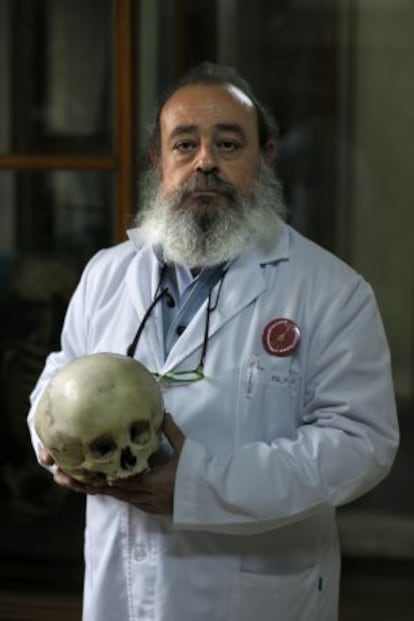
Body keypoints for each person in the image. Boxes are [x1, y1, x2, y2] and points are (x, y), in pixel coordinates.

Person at [27, 62, 399, 621]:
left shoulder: (331, 291)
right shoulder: (107, 274)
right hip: (120, 584)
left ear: (265, 157)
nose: (206, 162)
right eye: (185, 144)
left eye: (228, 143)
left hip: (253, 591)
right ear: (158, 159)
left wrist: (203, 486)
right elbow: (59, 374)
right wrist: (55, 443)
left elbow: (360, 444)